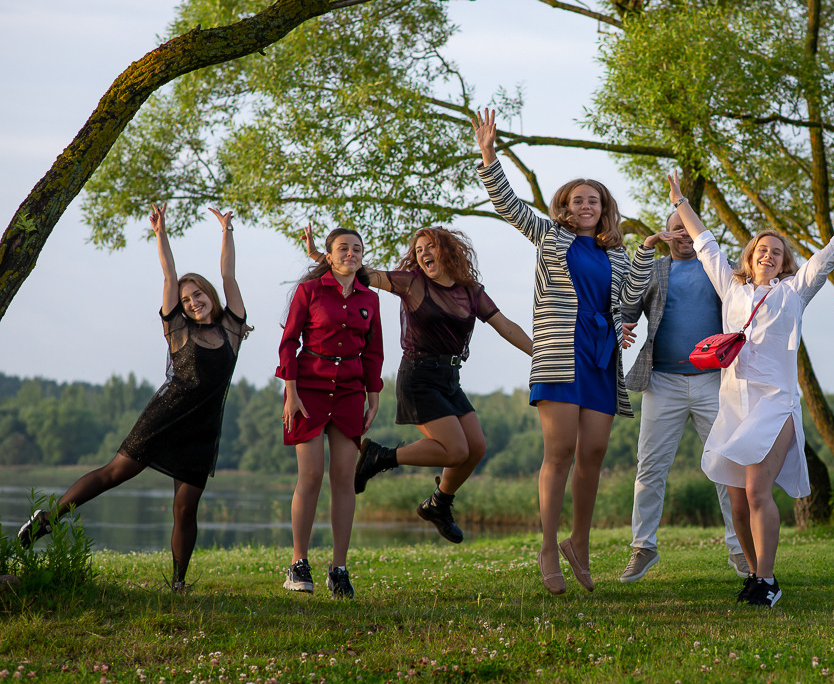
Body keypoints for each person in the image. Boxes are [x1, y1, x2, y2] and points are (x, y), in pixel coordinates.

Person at [667, 171, 834, 607]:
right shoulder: (731, 288)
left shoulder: (795, 291)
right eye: (762, 250)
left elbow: (833, 251)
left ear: (785, 262)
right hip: (733, 405)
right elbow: (704, 242)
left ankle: (768, 580)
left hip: (775, 406)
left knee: (757, 491)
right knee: (737, 503)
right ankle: (756, 576)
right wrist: (681, 202)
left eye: (777, 252)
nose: (768, 256)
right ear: (750, 257)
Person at [472, 107, 668, 595]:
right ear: (565, 206)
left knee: (594, 452)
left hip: (600, 356)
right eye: (578, 200)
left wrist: (644, 255)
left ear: (604, 209)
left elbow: (626, 303)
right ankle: (546, 545)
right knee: (558, 452)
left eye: (594, 201)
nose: (586, 206)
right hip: (560, 352)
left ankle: (579, 543)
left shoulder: (616, 253)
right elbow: (508, 205)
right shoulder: (549, 235)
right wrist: (489, 155)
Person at [18, 204, 249, 592]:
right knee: (113, 474)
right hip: (165, 415)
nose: (193, 302)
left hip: (204, 430)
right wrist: (161, 234)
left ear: (209, 294)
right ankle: (47, 519)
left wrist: (226, 232)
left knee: (185, 508)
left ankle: (178, 582)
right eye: (187, 299)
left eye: (198, 295)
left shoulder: (232, 328)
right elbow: (169, 274)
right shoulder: (177, 329)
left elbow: (228, 274)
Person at [304, 225, 533, 542]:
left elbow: (505, 325)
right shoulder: (411, 282)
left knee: (476, 448)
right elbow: (360, 274)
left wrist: (539, 353)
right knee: (455, 451)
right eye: (420, 249)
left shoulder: (471, 291)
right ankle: (380, 457)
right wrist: (322, 256)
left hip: (450, 379)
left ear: (450, 252)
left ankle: (438, 504)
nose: (424, 253)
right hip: (419, 377)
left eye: (432, 247)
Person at [618, 211, 747, 583]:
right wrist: (642, 251)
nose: (683, 235)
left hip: (714, 382)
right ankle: (643, 547)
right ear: (668, 233)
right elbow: (627, 308)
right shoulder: (656, 269)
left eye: (689, 229)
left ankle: (739, 549)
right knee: (650, 467)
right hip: (663, 382)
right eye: (676, 230)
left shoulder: (722, 268)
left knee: (727, 465)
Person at [277, 227, 384, 599]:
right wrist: (290, 393)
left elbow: (373, 352)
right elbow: (289, 343)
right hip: (308, 388)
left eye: (356, 248)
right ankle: (298, 563)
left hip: (352, 390)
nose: (350, 254)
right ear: (329, 255)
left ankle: (338, 568)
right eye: (343, 248)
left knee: (344, 479)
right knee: (311, 475)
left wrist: (374, 396)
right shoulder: (309, 292)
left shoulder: (370, 298)